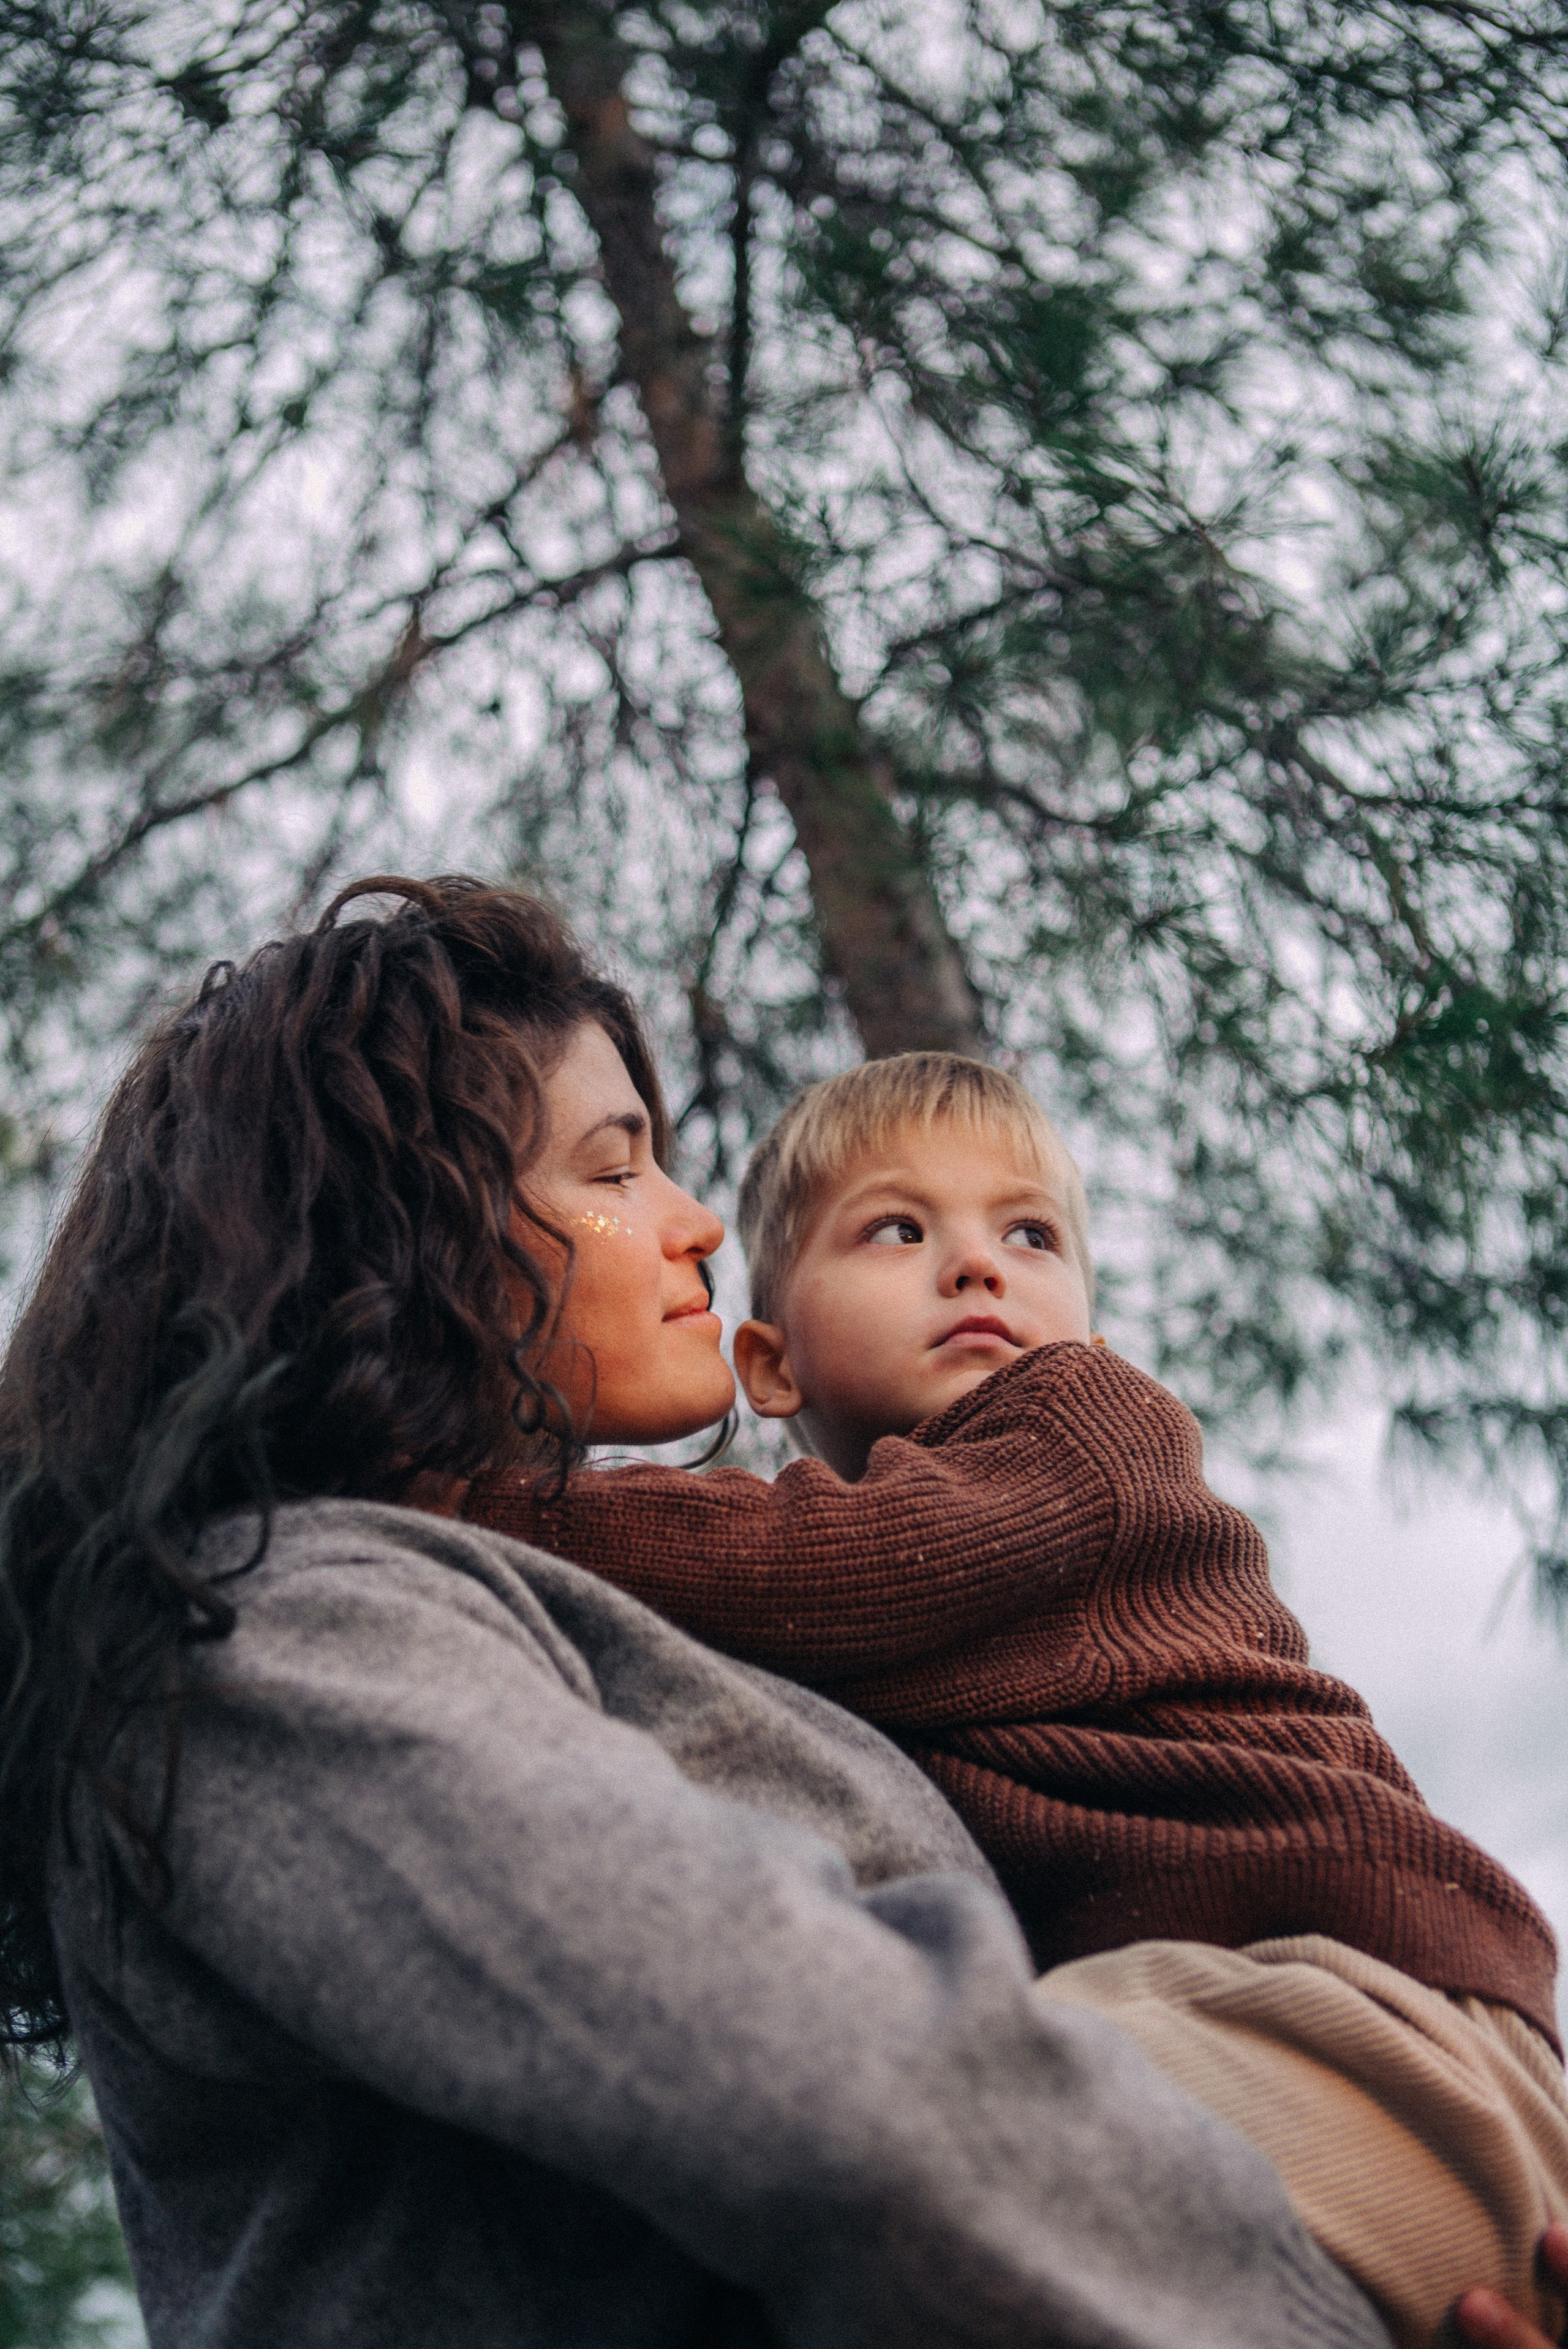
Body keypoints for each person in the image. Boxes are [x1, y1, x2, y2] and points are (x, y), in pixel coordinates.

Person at [0, 878, 1558, 2349]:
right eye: (612, 1169)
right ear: (392, 1234)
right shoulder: (281, 1620)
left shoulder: (1030, 1460)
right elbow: (869, 2108)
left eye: (1032, 1235)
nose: (689, 1223)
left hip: (1381, 1991)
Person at [453, 1051, 1568, 2349]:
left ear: (1092, 1336)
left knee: (923, 2135)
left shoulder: (1087, 1434)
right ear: (769, 1362)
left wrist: (462, 1503)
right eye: (896, 1228)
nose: (977, 1265)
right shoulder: (899, 1618)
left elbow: (812, 1564)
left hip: (1359, 2013)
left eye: (1028, 1232)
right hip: (1233, 2027)